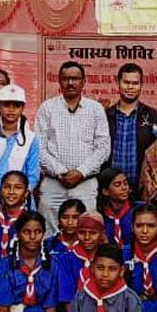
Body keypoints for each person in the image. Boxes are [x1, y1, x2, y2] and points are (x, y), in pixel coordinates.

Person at [35, 61, 111, 231]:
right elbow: (39, 148)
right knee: (49, 231)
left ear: (84, 81)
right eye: (66, 79)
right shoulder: (47, 108)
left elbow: (103, 147)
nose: (70, 83)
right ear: (59, 81)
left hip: (85, 183)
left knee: (86, 230)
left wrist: (80, 172)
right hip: (54, 183)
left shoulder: (96, 109)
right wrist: (61, 172)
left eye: (75, 79)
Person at [105, 63, 157, 193]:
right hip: (110, 191)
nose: (130, 87)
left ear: (141, 85)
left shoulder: (153, 115)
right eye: (126, 82)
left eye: (135, 83)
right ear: (118, 83)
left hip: (142, 188)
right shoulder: (105, 115)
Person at [54, 211, 105, 309]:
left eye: (93, 233)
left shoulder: (107, 258)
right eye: (82, 232)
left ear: (102, 233)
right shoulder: (65, 260)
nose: (87, 237)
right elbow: (67, 297)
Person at [0, 84, 40, 190]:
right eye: (6, 105)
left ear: (22, 108)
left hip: (19, 195)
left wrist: (22, 193)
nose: (11, 109)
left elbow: (33, 176)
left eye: (16, 106)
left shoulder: (30, 138)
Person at [0, 171, 30, 259]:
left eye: (18, 188)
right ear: (0, 191)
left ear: (26, 193)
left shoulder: (31, 222)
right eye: (6, 187)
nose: (11, 192)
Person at [98, 168, 135, 247]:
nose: (124, 188)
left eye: (125, 183)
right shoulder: (99, 216)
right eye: (117, 185)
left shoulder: (138, 210)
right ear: (105, 191)